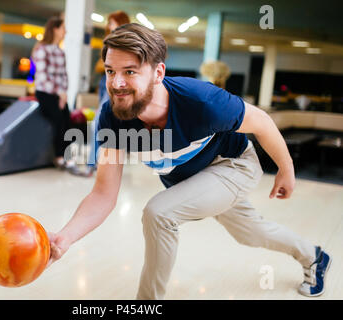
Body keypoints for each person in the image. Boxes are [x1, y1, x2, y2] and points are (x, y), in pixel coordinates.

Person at [46, 24, 331, 299]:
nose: (117, 83)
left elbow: (262, 122)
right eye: (111, 71)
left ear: (158, 73)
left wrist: (286, 168)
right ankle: (314, 256)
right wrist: (66, 237)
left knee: (160, 213)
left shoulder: (202, 102)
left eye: (129, 72)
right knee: (251, 232)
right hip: (194, 181)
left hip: (233, 165)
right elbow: (103, 194)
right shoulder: (112, 117)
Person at [31, 17, 85, 176]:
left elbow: (64, 76)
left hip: (60, 95)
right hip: (45, 93)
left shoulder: (60, 51)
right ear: (55, 29)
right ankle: (60, 157)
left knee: (68, 122)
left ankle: (67, 157)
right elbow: (42, 76)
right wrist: (59, 93)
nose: (65, 31)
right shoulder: (42, 49)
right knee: (59, 122)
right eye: (63, 28)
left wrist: (64, 94)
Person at [85, 11, 130, 176]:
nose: (111, 26)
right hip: (104, 84)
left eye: (114, 23)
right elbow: (100, 66)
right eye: (110, 23)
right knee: (103, 123)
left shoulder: (125, 43)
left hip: (115, 86)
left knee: (97, 123)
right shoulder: (109, 42)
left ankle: (92, 163)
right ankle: (98, 162)